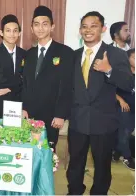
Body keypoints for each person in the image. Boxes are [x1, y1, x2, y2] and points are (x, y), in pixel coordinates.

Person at [67, 11, 134, 195]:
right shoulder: (74, 55)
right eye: (84, 26)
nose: (88, 30)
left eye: (93, 26)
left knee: (102, 167)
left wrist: (109, 70)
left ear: (103, 29)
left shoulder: (115, 54)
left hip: (104, 123)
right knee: (75, 164)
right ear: (80, 30)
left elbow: (129, 84)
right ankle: (74, 191)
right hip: (78, 121)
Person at [22, 6, 74, 149]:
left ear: (52, 26)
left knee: (48, 152)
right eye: (36, 24)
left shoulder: (65, 52)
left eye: (45, 24)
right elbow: (25, 84)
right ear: (32, 28)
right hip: (30, 115)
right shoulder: (29, 54)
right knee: (30, 150)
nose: (40, 28)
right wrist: (24, 108)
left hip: (52, 116)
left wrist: (61, 114)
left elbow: (67, 86)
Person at [0, 14, 26, 118]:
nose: (12, 34)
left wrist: (10, 88)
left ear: (19, 33)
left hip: (19, 104)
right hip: (0, 103)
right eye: (8, 30)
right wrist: (17, 84)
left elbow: (27, 80)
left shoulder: (24, 54)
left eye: (15, 30)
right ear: (1, 32)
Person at [113, 48, 135, 170]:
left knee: (127, 132)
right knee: (124, 133)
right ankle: (127, 157)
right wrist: (121, 100)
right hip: (124, 108)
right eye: (134, 58)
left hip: (134, 110)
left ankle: (116, 151)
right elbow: (111, 90)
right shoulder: (122, 74)